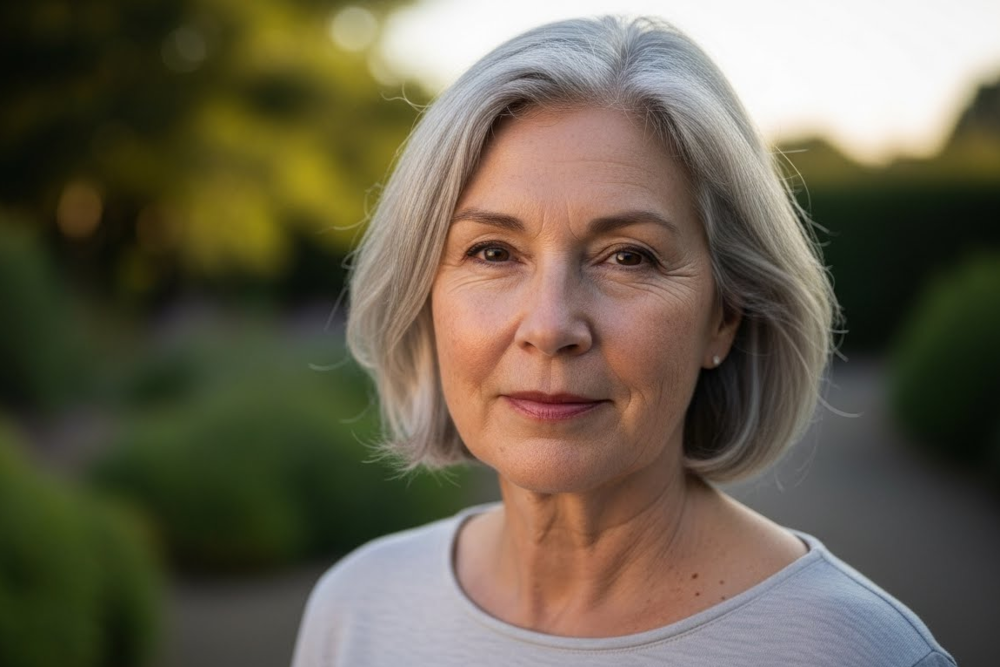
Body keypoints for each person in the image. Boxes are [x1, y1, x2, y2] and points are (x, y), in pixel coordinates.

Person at [291, 16, 954, 667]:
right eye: (493, 251)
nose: (550, 327)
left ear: (724, 315)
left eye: (628, 257)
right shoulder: (357, 609)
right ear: (423, 293)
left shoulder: (857, 650)